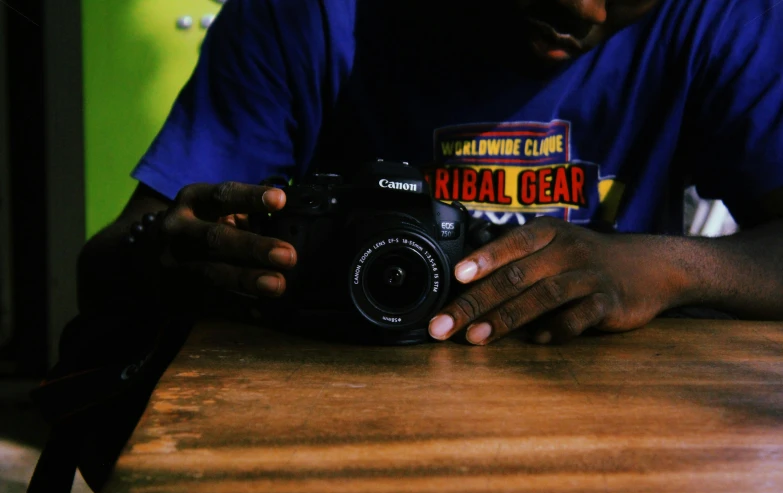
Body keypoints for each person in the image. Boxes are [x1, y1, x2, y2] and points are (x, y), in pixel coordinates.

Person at [78, 0, 783, 346]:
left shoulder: (721, 18)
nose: (584, 9)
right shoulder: (310, 14)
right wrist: (162, 254)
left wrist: (669, 268)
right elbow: (107, 261)